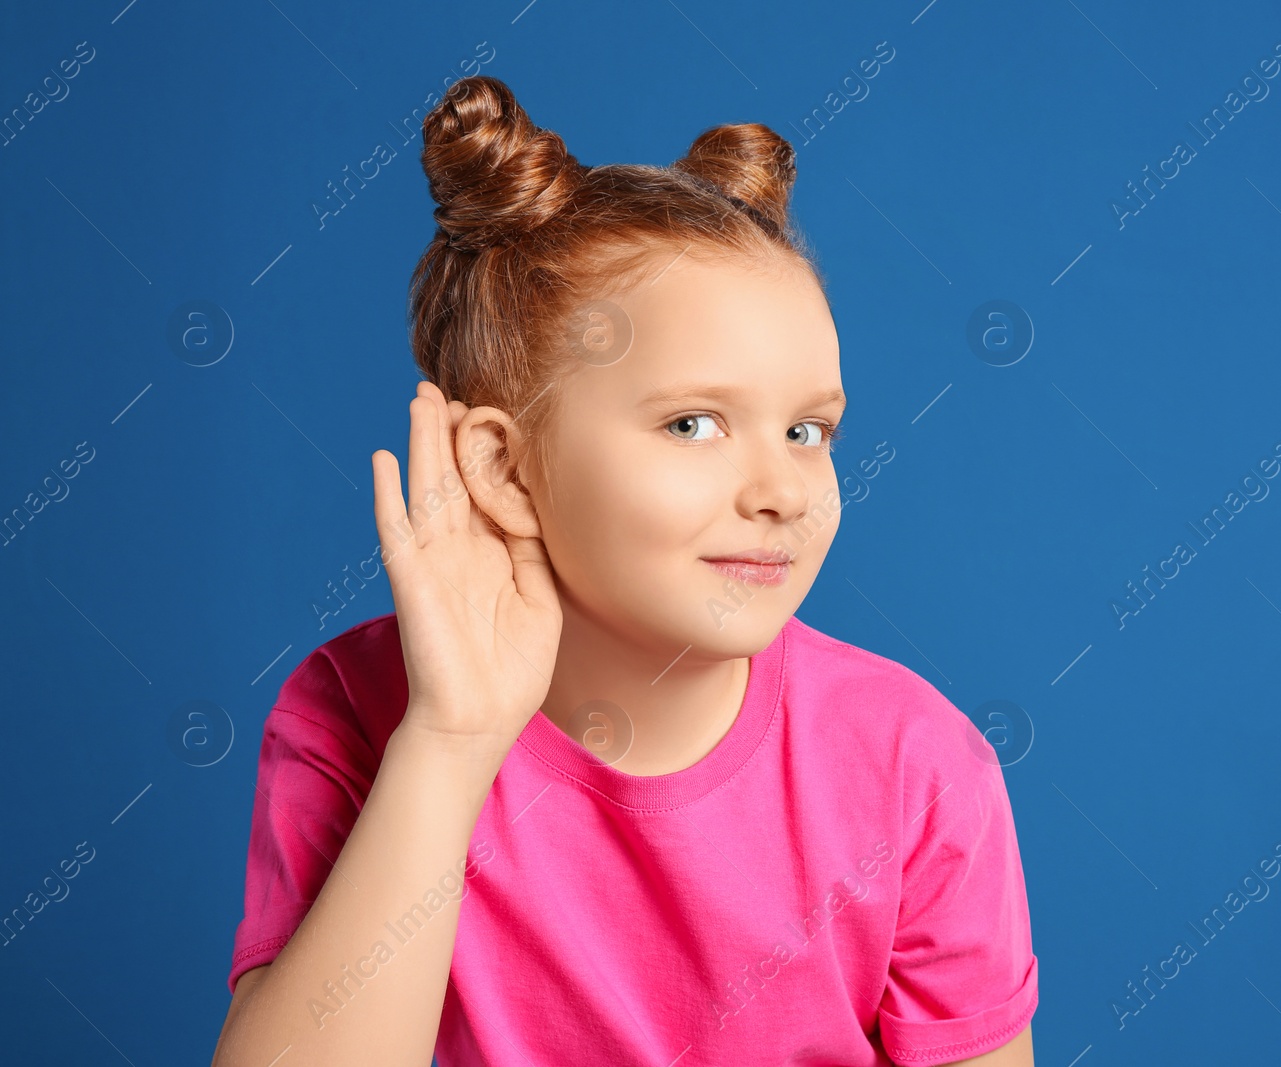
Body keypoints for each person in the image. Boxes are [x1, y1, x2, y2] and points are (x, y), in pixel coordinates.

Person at [211, 75, 1037, 1067]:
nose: (783, 489)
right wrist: (450, 741)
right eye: (694, 423)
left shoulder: (917, 765)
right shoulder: (350, 712)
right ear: (505, 468)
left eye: (808, 429)